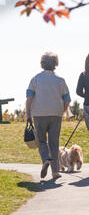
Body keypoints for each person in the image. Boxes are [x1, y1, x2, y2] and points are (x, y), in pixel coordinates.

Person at [26, 52, 71, 180]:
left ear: (42, 64)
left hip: (39, 114)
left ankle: (45, 159)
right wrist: (62, 111)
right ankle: (55, 171)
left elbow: (29, 98)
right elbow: (67, 99)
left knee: (41, 141)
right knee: (54, 143)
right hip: (56, 114)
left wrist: (28, 114)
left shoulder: (35, 79)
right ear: (55, 64)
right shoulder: (60, 80)